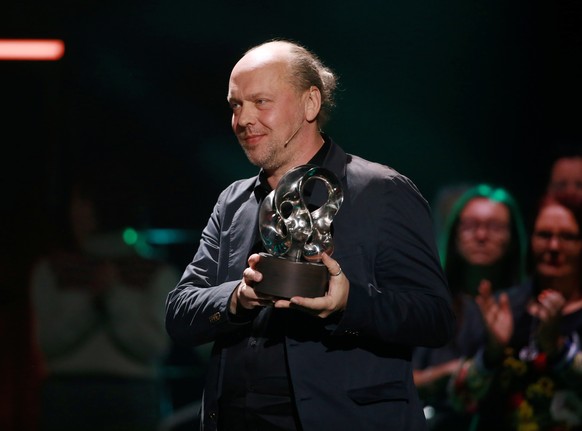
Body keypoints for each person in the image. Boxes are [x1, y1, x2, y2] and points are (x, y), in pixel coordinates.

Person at [165, 39, 455, 431]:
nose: (243, 119)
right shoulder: (233, 202)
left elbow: (434, 317)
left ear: (310, 104)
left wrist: (348, 303)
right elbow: (180, 313)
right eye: (235, 105)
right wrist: (238, 297)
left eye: (260, 102)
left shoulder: (382, 191)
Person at [31, 169, 180, 431]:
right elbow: (48, 343)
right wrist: (94, 299)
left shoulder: (156, 274)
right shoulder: (52, 270)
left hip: (128, 396)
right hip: (71, 395)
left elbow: (153, 347)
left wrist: (111, 295)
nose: (73, 212)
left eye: (81, 202)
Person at [451, 192, 582, 430]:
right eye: (544, 235)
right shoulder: (502, 307)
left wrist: (558, 349)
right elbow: (461, 398)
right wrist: (492, 352)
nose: (553, 246)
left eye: (568, 237)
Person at [413, 184, 528, 430]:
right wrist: (447, 373)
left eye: (495, 227)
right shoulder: (430, 299)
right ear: (454, 232)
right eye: (470, 225)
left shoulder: (529, 303)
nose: (481, 236)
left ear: (513, 237)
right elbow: (401, 378)